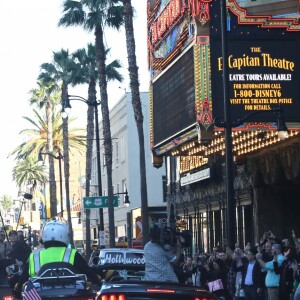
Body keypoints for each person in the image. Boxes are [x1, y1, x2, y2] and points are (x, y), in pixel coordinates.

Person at [14, 219, 99, 295]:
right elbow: (89, 274)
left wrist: (17, 289)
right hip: (70, 294)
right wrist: (97, 280)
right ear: (65, 236)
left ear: (44, 236)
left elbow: (22, 280)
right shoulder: (72, 254)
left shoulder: (34, 256)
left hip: (39, 296)